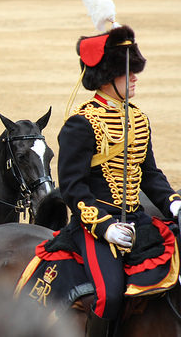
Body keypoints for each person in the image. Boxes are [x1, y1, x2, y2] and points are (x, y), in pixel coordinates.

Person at [58, 25, 181, 337]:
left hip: (137, 217)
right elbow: (72, 186)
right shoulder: (81, 123)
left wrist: (173, 202)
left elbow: (150, 174)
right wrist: (104, 227)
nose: (135, 77)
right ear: (105, 76)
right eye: (128, 72)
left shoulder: (138, 118)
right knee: (109, 295)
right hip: (96, 226)